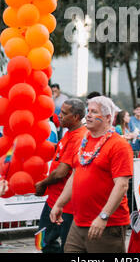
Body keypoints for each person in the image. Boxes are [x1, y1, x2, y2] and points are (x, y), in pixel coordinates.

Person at [50, 95, 133, 253]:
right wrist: (59, 204)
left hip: (106, 225)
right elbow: (75, 176)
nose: (88, 115)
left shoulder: (119, 145)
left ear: (108, 117)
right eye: (88, 111)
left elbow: (122, 185)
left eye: (94, 112)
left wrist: (103, 216)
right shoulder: (84, 141)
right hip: (79, 222)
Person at [35, 98, 86, 253]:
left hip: (65, 204)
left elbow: (61, 172)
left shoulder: (78, 137)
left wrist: (42, 183)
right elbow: (60, 154)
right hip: (54, 200)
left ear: (76, 117)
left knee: (64, 246)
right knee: (41, 239)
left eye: (64, 113)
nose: (59, 115)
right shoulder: (69, 133)